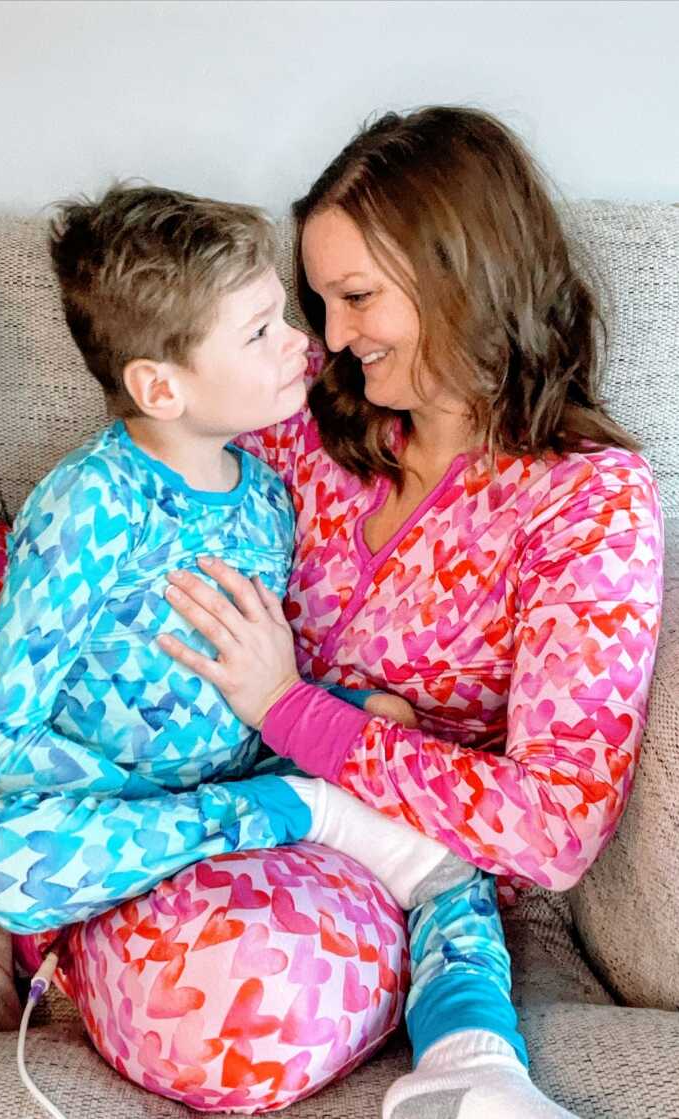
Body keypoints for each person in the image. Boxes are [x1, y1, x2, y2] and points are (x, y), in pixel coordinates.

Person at [0, 185, 483, 1110]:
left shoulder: (266, 487)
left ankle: (263, 811)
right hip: (109, 787)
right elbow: (2, 726)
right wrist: (60, 767)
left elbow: (257, 681)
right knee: (0, 851)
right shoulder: (93, 505)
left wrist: (335, 717)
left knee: (383, 723)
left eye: (288, 315)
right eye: (263, 330)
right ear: (162, 387)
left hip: (225, 763)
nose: (305, 344)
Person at [155, 106, 663, 1118]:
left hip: (378, 867)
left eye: (354, 299)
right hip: (176, 766)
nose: (330, 339)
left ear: (460, 278)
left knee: (237, 1012)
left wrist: (296, 712)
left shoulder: (586, 502)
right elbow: (145, 514)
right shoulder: (306, 426)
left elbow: (555, 829)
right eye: (318, 300)